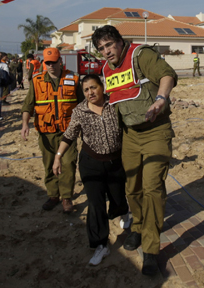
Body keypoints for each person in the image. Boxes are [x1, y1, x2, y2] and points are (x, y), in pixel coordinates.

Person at [93, 25, 177, 276]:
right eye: (101, 49)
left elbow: (167, 75)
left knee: (152, 188)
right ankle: (138, 227)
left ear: (119, 42)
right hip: (129, 136)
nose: (106, 52)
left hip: (155, 131)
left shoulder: (141, 55)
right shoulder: (106, 70)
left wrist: (161, 99)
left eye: (109, 45)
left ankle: (151, 248)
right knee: (133, 188)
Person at [53, 74, 129, 266]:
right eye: (86, 90)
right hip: (91, 164)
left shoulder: (115, 104)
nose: (90, 93)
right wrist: (58, 157)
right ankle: (100, 245)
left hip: (115, 162)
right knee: (96, 206)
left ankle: (122, 213)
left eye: (93, 88)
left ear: (102, 87)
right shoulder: (80, 111)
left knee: (118, 197)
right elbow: (69, 135)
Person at [21, 47, 82, 213]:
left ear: (60, 61)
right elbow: (28, 104)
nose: (51, 65)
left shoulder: (74, 78)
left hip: (68, 131)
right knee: (49, 164)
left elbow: (83, 105)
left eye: (54, 62)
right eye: (47, 62)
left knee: (68, 163)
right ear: (44, 63)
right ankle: (53, 195)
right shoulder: (36, 80)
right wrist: (25, 124)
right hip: (46, 131)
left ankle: (67, 197)